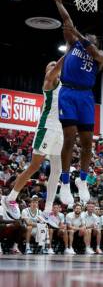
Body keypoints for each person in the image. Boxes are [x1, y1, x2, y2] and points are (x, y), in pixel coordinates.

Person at [51, 0, 103, 206]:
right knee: (69, 137)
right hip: (68, 92)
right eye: (86, 37)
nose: (88, 38)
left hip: (85, 96)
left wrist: (79, 34)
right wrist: (58, 2)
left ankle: (82, 180)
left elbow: (93, 50)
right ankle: (65, 182)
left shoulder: (99, 56)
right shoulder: (72, 45)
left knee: (87, 144)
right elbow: (66, 20)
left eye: (92, 39)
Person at [2, 59, 64, 227]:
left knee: (57, 170)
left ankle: (48, 210)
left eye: (55, 65)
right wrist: (72, 50)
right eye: (50, 65)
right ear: (47, 72)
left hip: (60, 131)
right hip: (47, 129)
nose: (53, 67)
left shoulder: (65, 86)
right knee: (34, 166)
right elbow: (57, 68)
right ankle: (11, 198)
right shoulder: (49, 82)